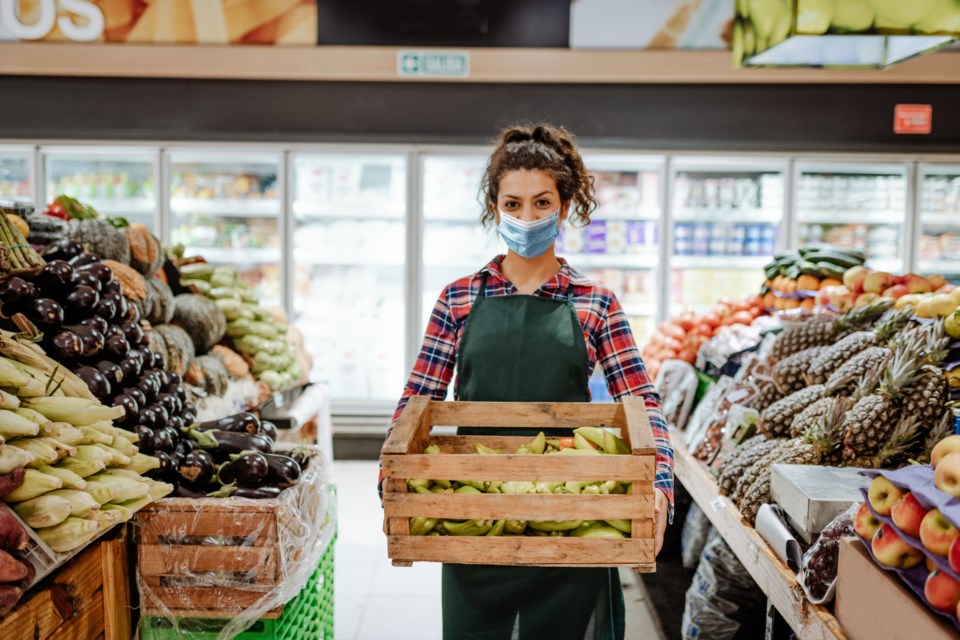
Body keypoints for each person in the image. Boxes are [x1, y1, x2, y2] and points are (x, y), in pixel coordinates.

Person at [379, 123, 674, 640]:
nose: (527, 217)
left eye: (542, 203)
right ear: (495, 208)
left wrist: (661, 489)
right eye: (512, 204)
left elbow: (641, 402)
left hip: (573, 514)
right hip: (474, 508)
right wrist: (391, 477)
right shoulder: (459, 299)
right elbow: (418, 398)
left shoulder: (595, 303)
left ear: (566, 205)